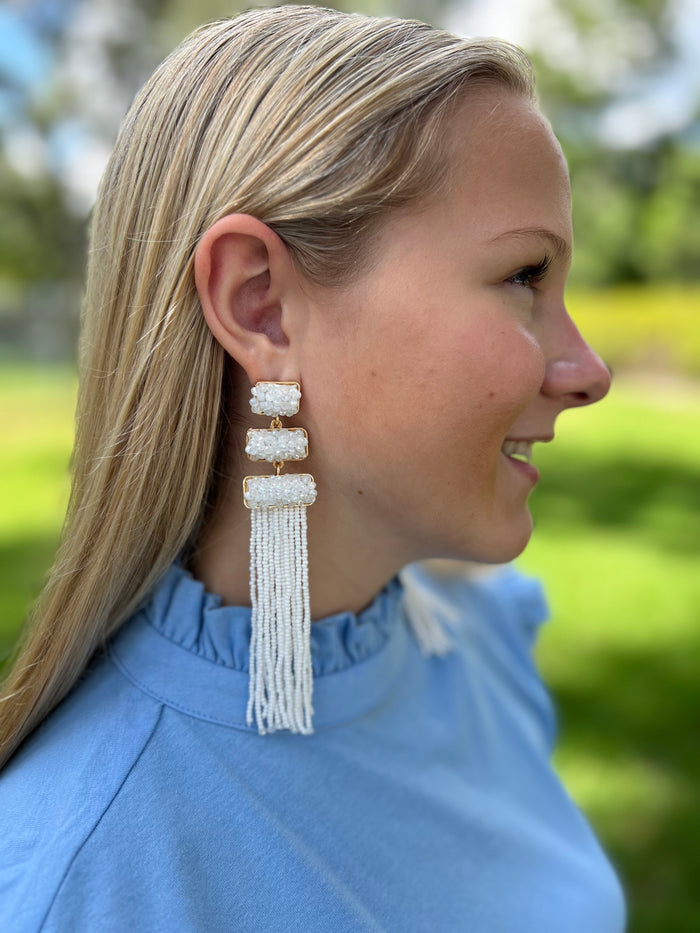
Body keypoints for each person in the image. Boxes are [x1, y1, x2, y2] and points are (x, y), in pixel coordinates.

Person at [0, 5, 625, 931]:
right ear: (262, 307)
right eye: (526, 276)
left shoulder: (480, 643)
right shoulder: (84, 880)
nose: (588, 371)